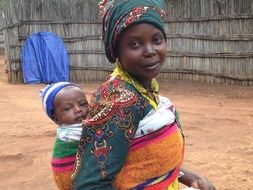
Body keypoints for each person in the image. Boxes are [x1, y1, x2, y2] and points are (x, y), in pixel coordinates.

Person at [71, 0, 216, 189]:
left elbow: (142, 160)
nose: (150, 51)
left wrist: (188, 176)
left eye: (157, 40)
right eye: (134, 44)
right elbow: (89, 185)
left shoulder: (143, 88)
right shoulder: (120, 100)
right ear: (117, 50)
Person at [40, 82, 89, 190]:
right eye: (67, 108)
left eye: (82, 104)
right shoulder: (70, 134)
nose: (78, 110)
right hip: (71, 179)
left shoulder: (83, 125)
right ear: (56, 119)